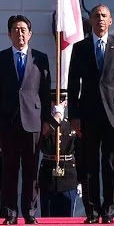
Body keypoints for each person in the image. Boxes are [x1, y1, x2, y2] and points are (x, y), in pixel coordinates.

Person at [67, 4, 114, 224]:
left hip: (113, 114)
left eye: (104, 15)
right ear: (91, 21)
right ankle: (92, 211)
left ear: (111, 20)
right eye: (96, 16)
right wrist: (74, 116)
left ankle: (109, 211)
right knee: (89, 166)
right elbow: (72, 84)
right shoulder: (80, 48)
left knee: (112, 164)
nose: (100, 19)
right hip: (87, 115)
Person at [0, 14, 51, 225]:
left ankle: (30, 211)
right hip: (8, 122)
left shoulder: (40, 58)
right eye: (16, 29)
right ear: (9, 34)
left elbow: (44, 92)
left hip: (33, 121)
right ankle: (10, 212)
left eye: (24, 29)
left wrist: (46, 121)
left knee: (31, 170)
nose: (20, 33)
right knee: (9, 169)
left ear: (30, 34)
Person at [39, 89, 80, 217]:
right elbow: (41, 141)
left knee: (67, 219)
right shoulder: (45, 124)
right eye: (54, 102)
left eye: (61, 102)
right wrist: (54, 120)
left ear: (66, 103)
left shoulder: (71, 124)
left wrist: (80, 180)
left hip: (68, 176)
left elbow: (79, 151)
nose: (57, 105)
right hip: (48, 177)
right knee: (48, 218)